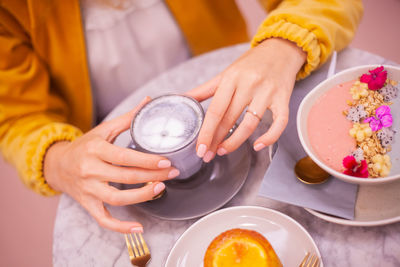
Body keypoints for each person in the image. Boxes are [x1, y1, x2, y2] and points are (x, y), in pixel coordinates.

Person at [0, 0, 363, 233]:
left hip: (241, 95)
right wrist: (58, 158)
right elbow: (16, 116)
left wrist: (284, 45)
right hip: (113, 153)